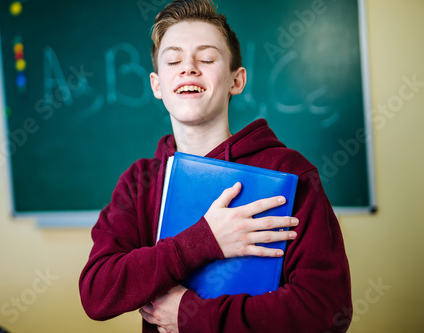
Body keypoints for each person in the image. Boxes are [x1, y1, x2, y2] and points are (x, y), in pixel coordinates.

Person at [79, 0, 352, 332]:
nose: (189, 68)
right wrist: (204, 240)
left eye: (207, 58)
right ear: (156, 85)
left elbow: (326, 309)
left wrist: (192, 316)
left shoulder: (289, 172)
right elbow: (97, 293)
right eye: (173, 60)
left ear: (236, 81)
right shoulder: (140, 183)